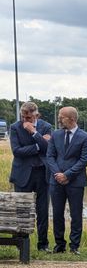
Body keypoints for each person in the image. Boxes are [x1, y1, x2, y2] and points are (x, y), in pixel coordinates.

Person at [45, 106, 87, 255]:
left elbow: (84, 160)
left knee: (76, 214)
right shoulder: (56, 134)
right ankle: (59, 245)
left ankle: (74, 246)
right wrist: (58, 173)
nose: (59, 118)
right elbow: (50, 156)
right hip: (56, 181)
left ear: (72, 118)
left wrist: (67, 174)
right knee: (57, 214)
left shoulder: (85, 137)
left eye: (62, 116)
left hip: (76, 182)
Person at [9, 101, 53, 252]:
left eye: (28, 118)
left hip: (42, 173)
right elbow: (17, 151)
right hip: (22, 174)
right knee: (22, 209)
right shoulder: (15, 127)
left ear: (36, 115)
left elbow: (48, 149)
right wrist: (37, 145)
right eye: (23, 117)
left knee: (42, 211)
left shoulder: (46, 126)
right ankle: (21, 244)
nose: (25, 121)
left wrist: (34, 133)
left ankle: (43, 245)